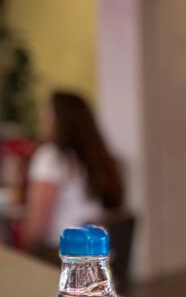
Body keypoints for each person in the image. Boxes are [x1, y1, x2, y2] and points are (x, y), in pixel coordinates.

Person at [23, 89, 125, 256]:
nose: (42, 118)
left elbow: (37, 230)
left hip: (61, 260)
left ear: (59, 120)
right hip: (94, 258)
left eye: (48, 113)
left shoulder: (51, 157)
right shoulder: (95, 160)